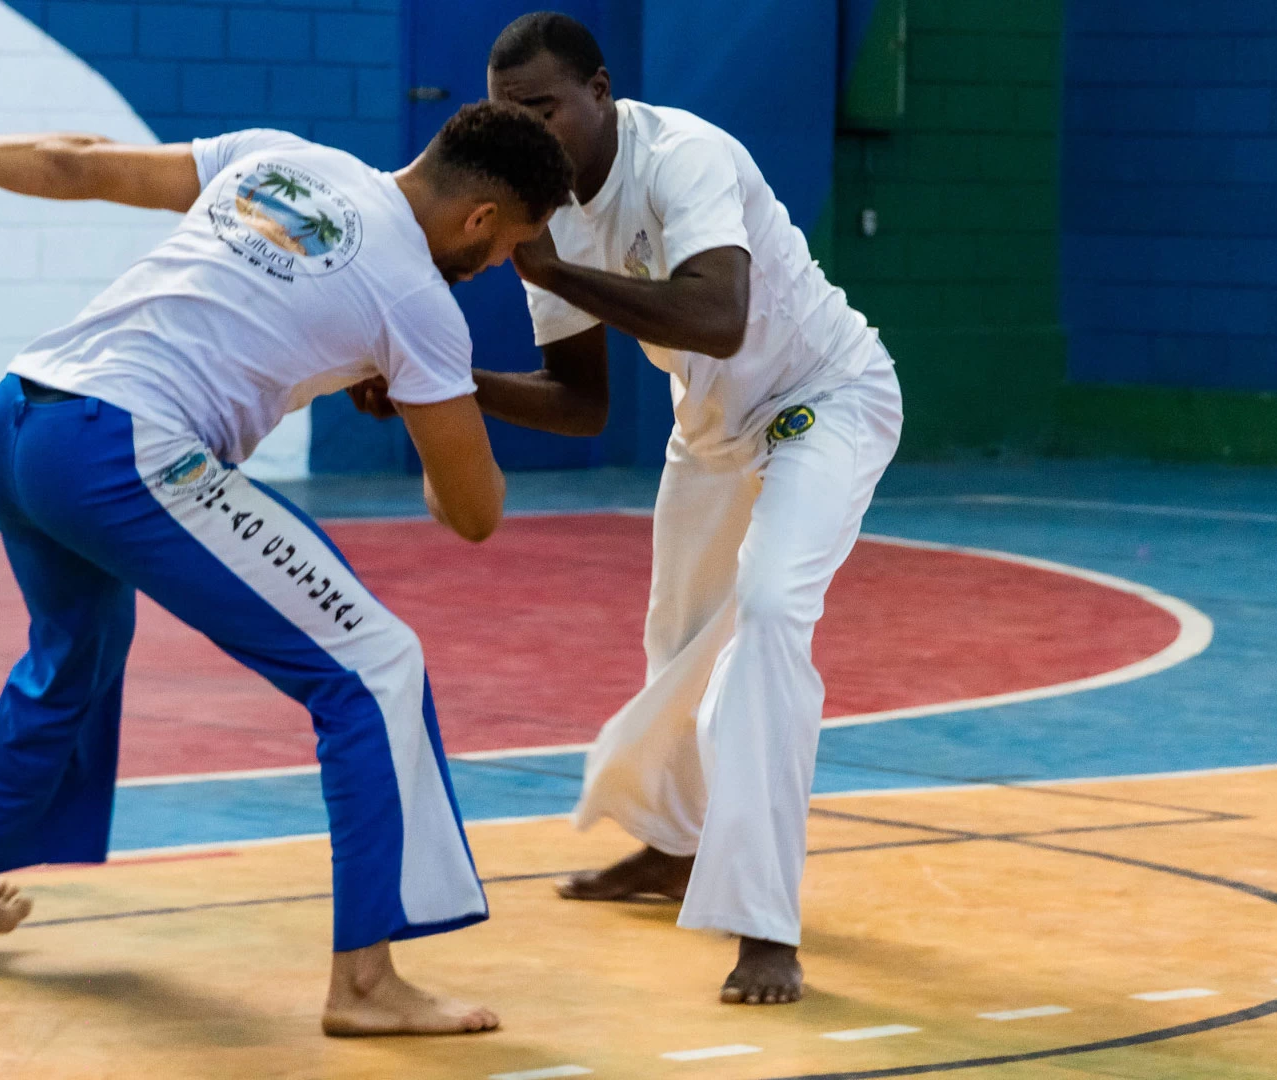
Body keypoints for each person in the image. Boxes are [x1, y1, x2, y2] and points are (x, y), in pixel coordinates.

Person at [0, 100, 574, 1036]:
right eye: (510, 245)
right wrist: (421, 406)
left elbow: (77, 162)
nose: (503, 262)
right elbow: (473, 514)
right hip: (120, 448)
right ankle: (365, 985)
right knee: (374, 663)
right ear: (480, 218)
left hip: (20, 416)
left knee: (74, 653)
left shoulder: (280, 155)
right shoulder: (418, 303)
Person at [351, 13, 903, 1006]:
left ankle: (764, 924)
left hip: (825, 401)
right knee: (675, 639)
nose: (530, 128)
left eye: (545, 107)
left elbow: (719, 319)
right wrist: (441, 384)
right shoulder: (545, 212)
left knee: (768, 618)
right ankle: (676, 848)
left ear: (599, 91)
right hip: (712, 428)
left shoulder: (684, 157)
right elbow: (582, 402)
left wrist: (560, 272)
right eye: (510, 112)